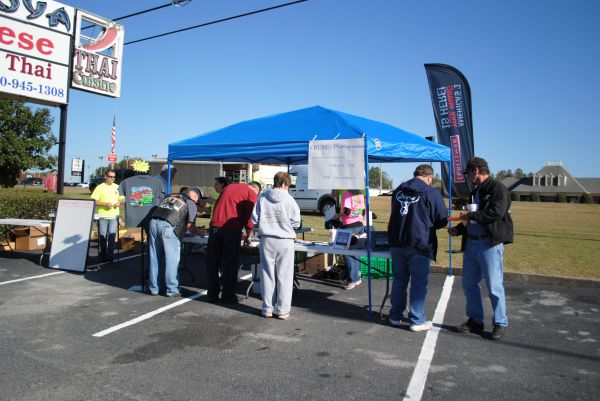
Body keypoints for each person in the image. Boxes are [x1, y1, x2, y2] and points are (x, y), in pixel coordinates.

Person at [448, 157, 514, 340]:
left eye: (468, 172)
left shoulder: (498, 189)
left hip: (489, 244)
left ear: (476, 170)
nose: (468, 176)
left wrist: (470, 214)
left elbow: (495, 213)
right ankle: (475, 321)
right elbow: (472, 219)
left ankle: (500, 322)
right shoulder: (474, 192)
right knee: (469, 284)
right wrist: (459, 229)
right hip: (472, 243)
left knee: (494, 285)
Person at [387, 165, 448, 332]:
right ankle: (416, 319)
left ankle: (395, 315)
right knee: (419, 283)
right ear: (429, 177)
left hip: (397, 241)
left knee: (399, 280)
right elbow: (441, 219)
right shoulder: (431, 192)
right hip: (419, 243)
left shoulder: (399, 189)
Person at [251, 172, 301, 319]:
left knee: (267, 274)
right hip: (284, 240)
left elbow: (254, 219)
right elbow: (296, 222)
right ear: (285, 184)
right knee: (284, 275)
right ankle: (282, 310)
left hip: (266, 239)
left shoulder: (263, 198)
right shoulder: (290, 199)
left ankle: (267, 308)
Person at [206, 181, 261, 303]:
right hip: (231, 229)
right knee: (230, 264)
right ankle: (228, 295)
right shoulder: (251, 193)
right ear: (255, 189)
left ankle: (212, 294)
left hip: (215, 226)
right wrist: (248, 233)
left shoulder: (229, 187)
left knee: (213, 263)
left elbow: (218, 205)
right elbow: (248, 215)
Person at [147, 187, 202, 296]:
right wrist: (200, 233)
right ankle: (172, 289)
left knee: (155, 257)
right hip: (168, 226)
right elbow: (190, 226)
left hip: (153, 223)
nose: (197, 202)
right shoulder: (190, 202)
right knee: (171, 259)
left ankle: (154, 288)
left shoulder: (170, 196)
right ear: (195, 196)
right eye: (198, 199)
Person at [90, 169, 124, 262]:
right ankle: (103, 253)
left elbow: (123, 199)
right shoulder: (99, 187)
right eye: (110, 177)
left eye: (113, 177)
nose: (112, 179)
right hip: (102, 216)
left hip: (114, 216)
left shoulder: (117, 187)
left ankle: (110, 255)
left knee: (112, 236)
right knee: (102, 236)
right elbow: (94, 201)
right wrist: (105, 204)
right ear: (106, 177)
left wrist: (119, 202)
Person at [336, 189, 366, 290]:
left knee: (346, 252)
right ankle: (357, 277)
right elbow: (363, 211)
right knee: (356, 252)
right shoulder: (360, 195)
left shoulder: (347, 194)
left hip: (348, 226)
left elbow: (347, 212)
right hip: (360, 226)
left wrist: (338, 215)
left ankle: (352, 279)